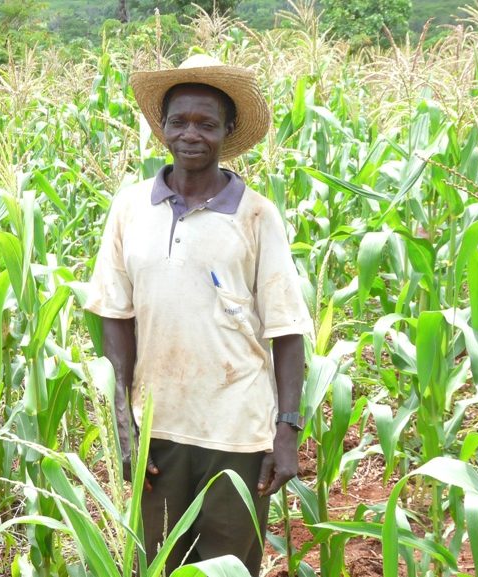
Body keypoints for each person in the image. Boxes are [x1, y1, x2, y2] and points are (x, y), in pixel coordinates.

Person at [85, 54, 311, 575]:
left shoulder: (256, 214)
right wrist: (125, 421)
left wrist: (287, 431)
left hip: (237, 429)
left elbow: (286, 329)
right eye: (179, 121)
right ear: (161, 127)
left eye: (207, 124)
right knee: (159, 563)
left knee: (228, 565)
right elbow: (115, 316)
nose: (191, 134)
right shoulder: (130, 208)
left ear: (227, 131)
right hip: (158, 430)